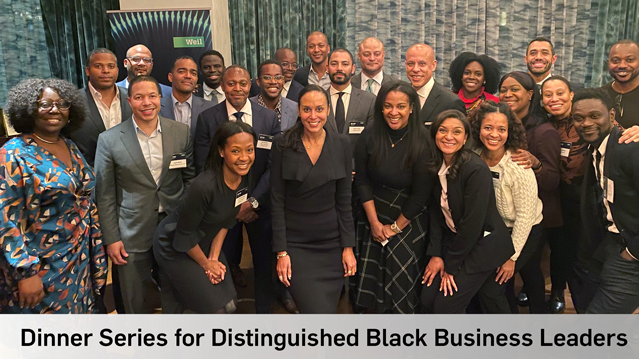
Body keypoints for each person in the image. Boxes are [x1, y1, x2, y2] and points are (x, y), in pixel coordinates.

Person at [0, 78, 107, 313]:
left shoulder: (70, 146)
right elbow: (5, 218)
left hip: (79, 259)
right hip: (40, 266)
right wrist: (25, 272)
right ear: (28, 109)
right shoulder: (12, 154)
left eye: (62, 104)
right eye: (45, 104)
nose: (55, 110)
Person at [95, 75, 195, 313]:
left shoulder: (180, 132)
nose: (146, 102)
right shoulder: (109, 140)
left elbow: (189, 179)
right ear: (129, 101)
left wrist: (190, 223)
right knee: (134, 297)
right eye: (139, 97)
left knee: (176, 290)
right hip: (131, 230)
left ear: (161, 98)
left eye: (152, 96)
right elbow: (105, 194)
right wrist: (111, 238)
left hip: (173, 225)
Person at [194, 65, 280, 313]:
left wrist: (252, 202)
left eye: (242, 83)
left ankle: (264, 313)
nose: (237, 89)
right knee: (222, 259)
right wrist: (232, 204)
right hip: (222, 207)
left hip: (259, 206)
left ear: (250, 85)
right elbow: (205, 166)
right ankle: (228, 313)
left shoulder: (268, 118)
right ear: (222, 85)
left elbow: (273, 166)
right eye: (231, 83)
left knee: (264, 262)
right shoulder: (208, 118)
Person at [154, 121, 256, 313]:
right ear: (221, 151)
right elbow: (184, 235)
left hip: (205, 241)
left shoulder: (244, 178)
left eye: (249, 149)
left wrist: (214, 257)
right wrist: (206, 264)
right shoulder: (203, 187)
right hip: (175, 245)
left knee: (230, 304)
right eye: (236, 151)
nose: (244, 157)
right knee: (216, 310)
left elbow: (227, 220)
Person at [350, 81, 434, 313]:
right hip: (372, 211)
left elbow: (421, 194)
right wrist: (375, 223)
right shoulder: (369, 134)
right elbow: (363, 181)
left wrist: (395, 228)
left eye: (400, 106)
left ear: (412, 108)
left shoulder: (423, 140)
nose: (393, 112)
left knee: (400, 278)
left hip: (409, 214)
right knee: (370, 278)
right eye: (388, 106)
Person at [271, 85, 356, 314]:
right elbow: (276, 201)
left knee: (326, 312)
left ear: (328, 110)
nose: (313, 116)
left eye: (319, 109)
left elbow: (344, 200)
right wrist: (281, 252)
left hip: (331, 243)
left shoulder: (342, 144)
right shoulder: (282, 144)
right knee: (315, 311)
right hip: (296, 245)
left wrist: (348, 247)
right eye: (307, 109)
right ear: (298, 111)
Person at [421, 110, 514, 314]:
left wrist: (451, 268)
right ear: (434, 134)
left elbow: (472, 226)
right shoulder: (435, 164)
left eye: (456, 132)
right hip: (456, 243)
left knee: (444, 306)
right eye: (443, 130)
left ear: (465, 138)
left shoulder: (475, 169)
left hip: (482, 246)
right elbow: (436, 215)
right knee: (426, 298)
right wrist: (436, 255)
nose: (448, 136)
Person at [469, 101, 546, 313]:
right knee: (489, 287)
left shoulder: (518, 166)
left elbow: (524, 218)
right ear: (478, 129)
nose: (494, 134)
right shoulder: (473, 157)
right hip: (494, 232)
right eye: (488, 128)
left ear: (509, 132)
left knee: (492, 288)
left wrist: (511, 258)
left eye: (501, 129)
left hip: (525, 231)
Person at [568, 89, 639, 313]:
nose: (586, 123)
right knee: (586, 298)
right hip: (611, 241)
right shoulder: (598, 148)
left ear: (611, 115)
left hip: (631, 251)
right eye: (579, 118)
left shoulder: (629, 149)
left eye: (594, 116)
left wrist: (634, 252)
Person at [499, 71, 563, 311]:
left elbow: (552, 181)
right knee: (528, 270)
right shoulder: (501, 123)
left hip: (536, 216)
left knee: (527, 269)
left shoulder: (544, 131)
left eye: (514, 89)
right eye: (503, 89)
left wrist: (536, 164)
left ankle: (536, 318)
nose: (508, 94)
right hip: (508, 214)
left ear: (529, 94)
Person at [71, 48, 133, 167]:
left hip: (129, 178)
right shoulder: (73, 101)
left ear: (117, 70)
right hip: (89, 177)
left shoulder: (132, 98)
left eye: (111, 66)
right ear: (87, 71)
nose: (105, 71)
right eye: (98, 66)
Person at [324, 48, 376, 152]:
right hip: (324, 165)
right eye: (334, 64)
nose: (339, 68)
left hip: (357, 165)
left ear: (353, 69)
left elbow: (372, 141)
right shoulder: (318, 100)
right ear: (327, 68)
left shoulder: (369, 100)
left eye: (345, 64)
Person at [404, 44, 465, 127]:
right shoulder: (400, 94)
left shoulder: (451, 102)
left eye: (422, 64)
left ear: (433, 65)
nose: (415, 69)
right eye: (410, 64)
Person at [159, 56, 215, 139]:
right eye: (182, 71)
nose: (188, 76)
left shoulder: (210, 108)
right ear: (171, 77)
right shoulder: (156, 107)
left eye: (193, 73)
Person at [251, 59, 298, 131]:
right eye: (267, 77)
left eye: (278, 77)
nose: (273, 82)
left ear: (283, 80)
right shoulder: (247, 106)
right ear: (258, 81)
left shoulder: (295, 109)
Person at [601, 39, 639, 129]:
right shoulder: (600, 95)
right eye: (615, 61)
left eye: (629, 60)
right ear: (608, 63)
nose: (622, 65)